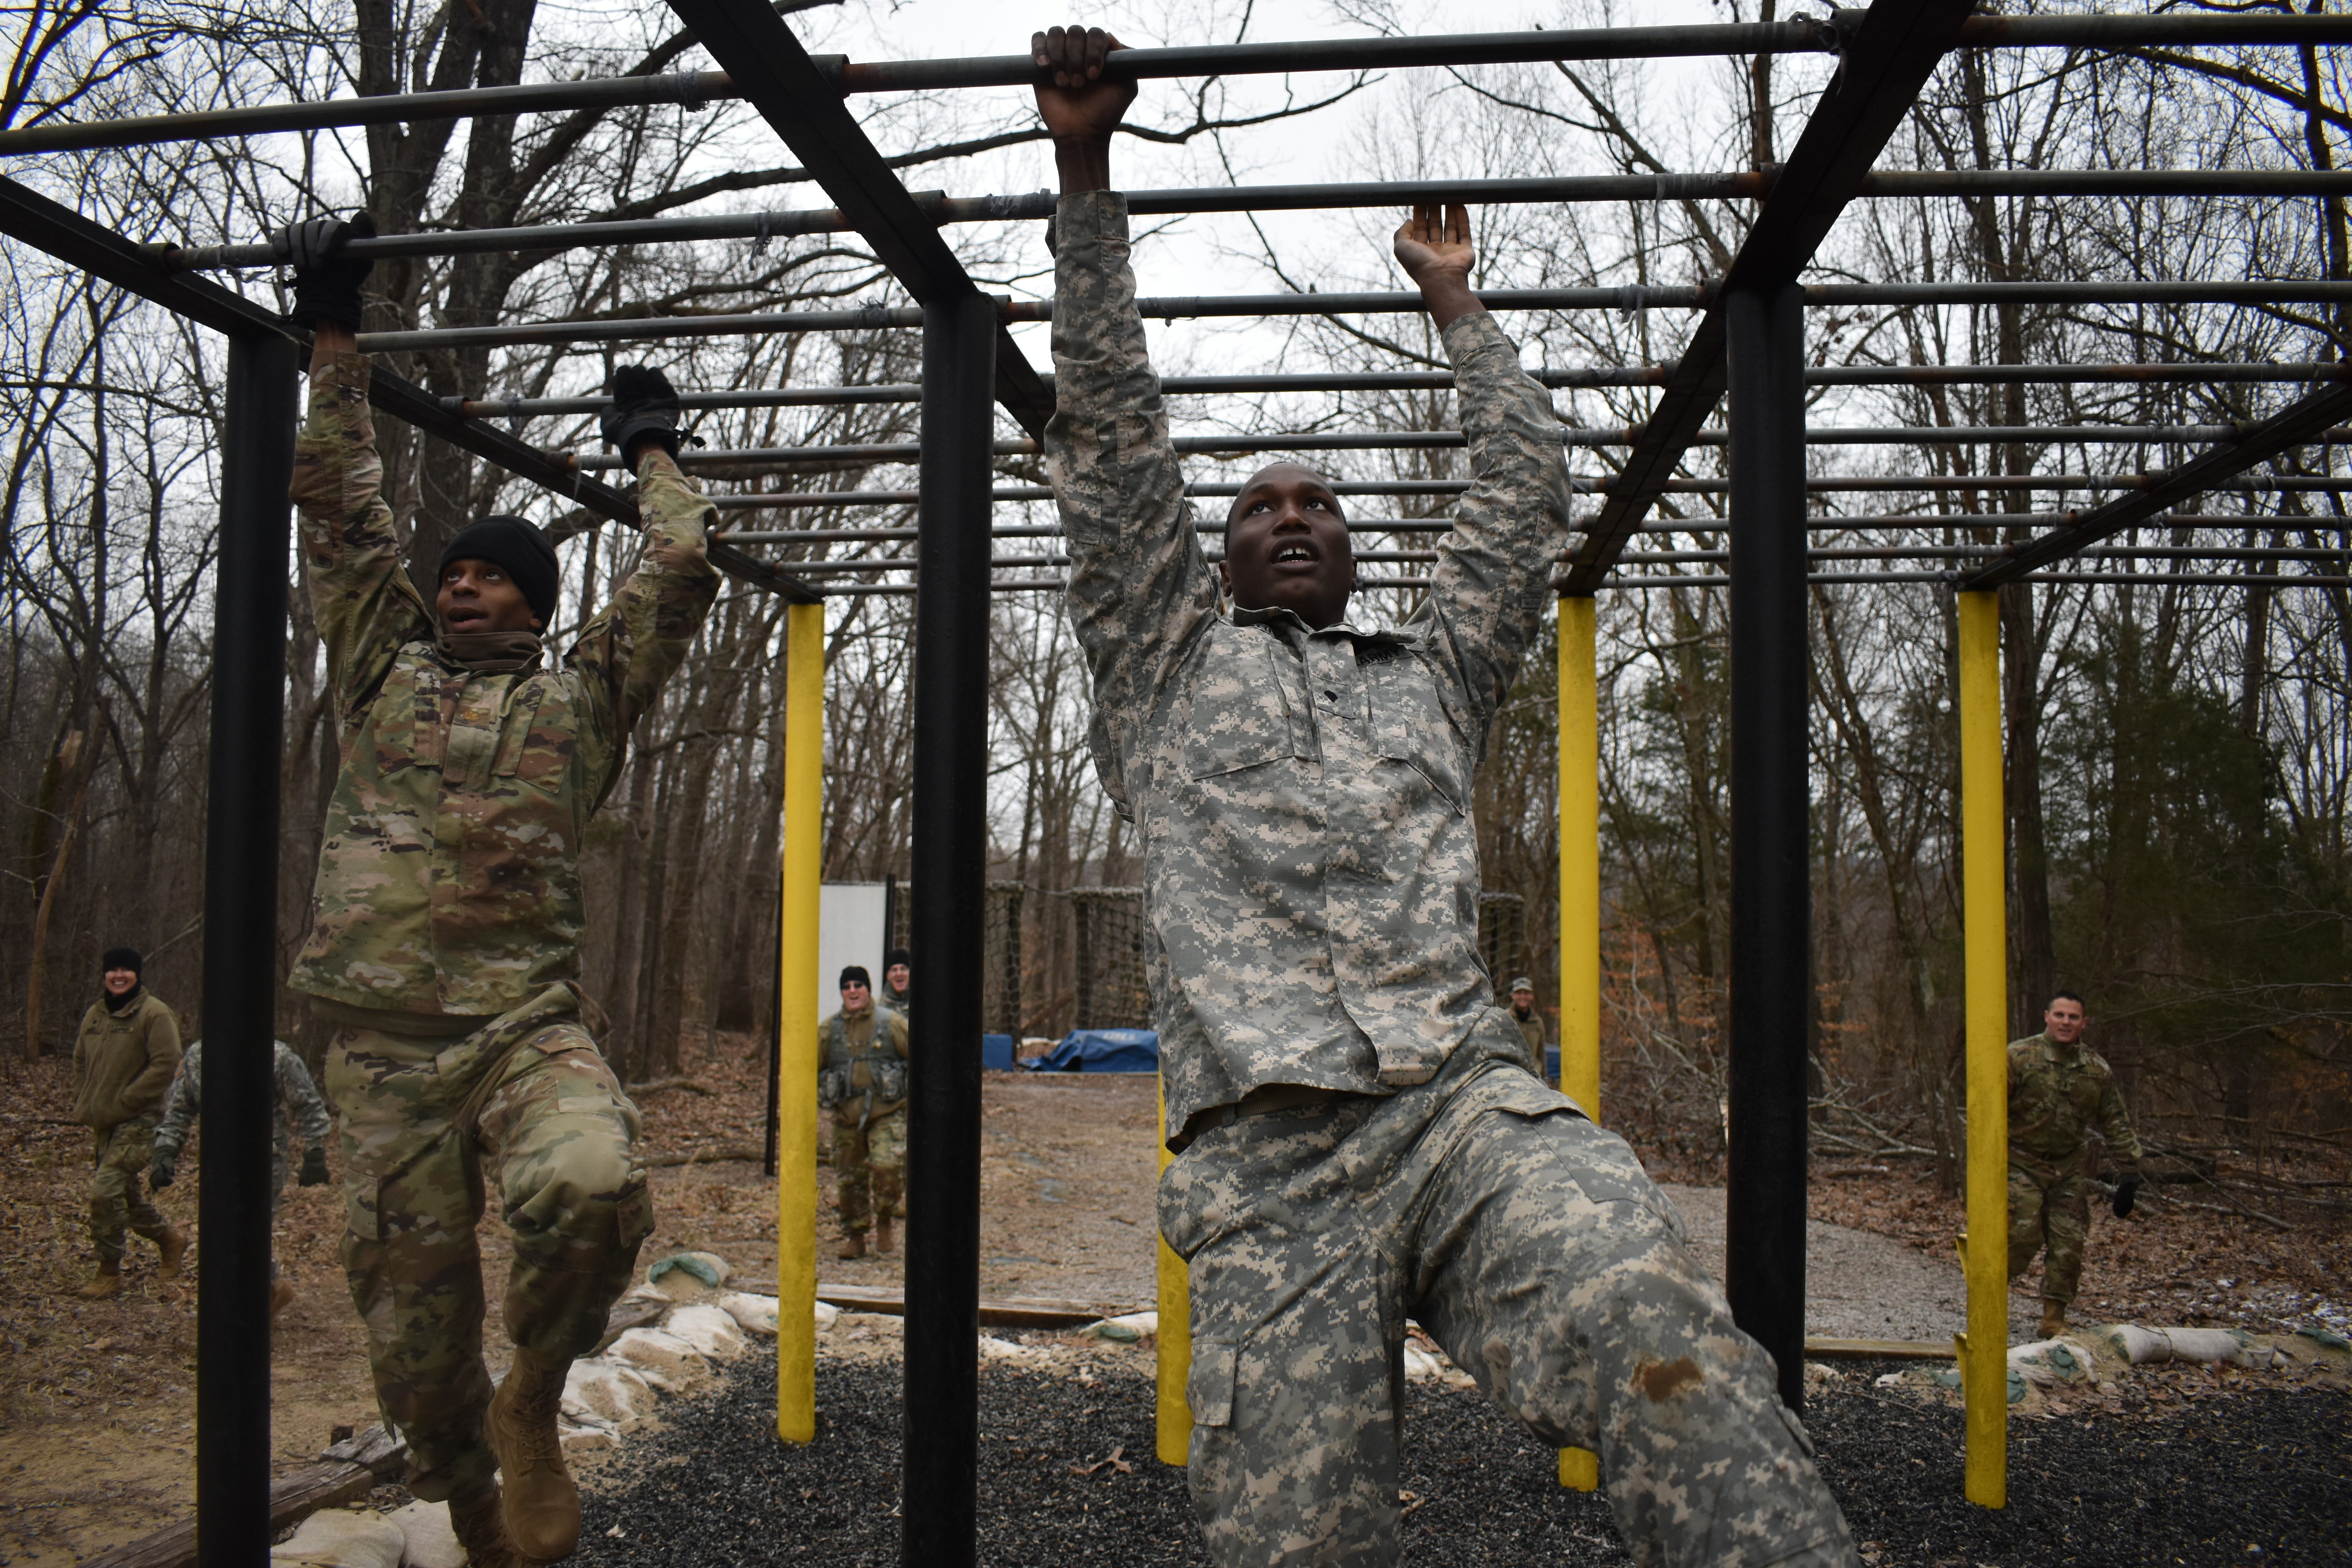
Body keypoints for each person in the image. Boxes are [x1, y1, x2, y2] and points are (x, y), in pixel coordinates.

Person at [1033, 25, 1855, 1566]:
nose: (1292, 517)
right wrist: (1085, 170)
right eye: (1260, 507)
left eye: (1320, 504)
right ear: (1219, 553)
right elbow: (1117, 435)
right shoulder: (1165, 665)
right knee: (1295, 1540)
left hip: (1468, 1113)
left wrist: (1458, 306)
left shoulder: (1437, 675)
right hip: (1273, 1162)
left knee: (1667, 1343)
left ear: (1355, 552)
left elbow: (1525, 489)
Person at [276, 212, 719, 1566]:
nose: (464, 587)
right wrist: (333, 343)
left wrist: (651, 452)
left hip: (522, 1027)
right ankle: (476, 1506)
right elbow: (341, 510)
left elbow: (679, 567)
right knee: (414, 1355)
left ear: (534, 604)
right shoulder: (382, 668)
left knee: (593, 1180)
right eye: (454, 573)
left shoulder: (581, 705)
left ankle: (533, 1395)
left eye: (492, 577)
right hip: (381, 1056)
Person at [149, 1037, 335, 1319]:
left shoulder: (276, 1055)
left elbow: (307, 1102)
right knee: (224, 1230)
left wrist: (315, 1151)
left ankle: (253, 1304)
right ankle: (269, 1289)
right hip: (218, 1160)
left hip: (266, 1158)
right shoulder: (198, 1056)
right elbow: (179, 1110)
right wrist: (165, 1150)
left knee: (249, 1228)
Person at [2007, 991, 2142, 1340]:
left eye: (2073, 1017)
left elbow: (2115, 1120)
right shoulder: (2018, 1057)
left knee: (2069, 1242)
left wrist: (2129, 1172)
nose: (2066, 1022)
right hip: (2019, 1162)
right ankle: (1987, 1297)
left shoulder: (2096, 1071)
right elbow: (1987, 1110)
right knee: (2021, 1234)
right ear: (2047, 1017)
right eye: (2060, 1015)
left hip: (2067, 1169)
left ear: (2084, 1023)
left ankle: (2054, 1319)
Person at [68, 947, 186, 1300]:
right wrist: (85, 1098)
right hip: (105, 1119)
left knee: (104, 1192)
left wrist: (129, 1099)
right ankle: (169, 1239)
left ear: (137, 975)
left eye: (126, 970)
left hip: (139, 1119)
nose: (118, 976)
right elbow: (79, 1059)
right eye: (112, 970)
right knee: (124, 1194)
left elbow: (167, 1062)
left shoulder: (154, 1013)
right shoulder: (96, 1014)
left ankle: (109, 1274)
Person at [817, 966, 909, 1259]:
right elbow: (810, 1066)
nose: (853, 991)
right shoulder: (829, 1030)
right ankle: (856, 1236)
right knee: (849, 1178)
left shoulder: (892, 1023)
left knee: (888, 1166)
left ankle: (885, 1219)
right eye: (847, 987)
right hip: (847, 1116)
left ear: (869, 989)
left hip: (887, 1111)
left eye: (859, 985)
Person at [1506, 976, 1546, 1080]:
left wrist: (1545, 1079)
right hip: (1511, 1076)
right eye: (1519, 993)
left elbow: (1541, 1053)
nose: (1523, 997)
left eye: (1527, 993)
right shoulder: (1505, 1019)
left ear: (1532, 996)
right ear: (1513, 995)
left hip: (1533, 1077)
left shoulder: (1537, 1022)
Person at [881, 947, 914, 1014]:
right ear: (888, 976)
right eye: (894, 970)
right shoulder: (880, 1008)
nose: (899, 974)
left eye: (903, 969)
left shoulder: (922, 1003)